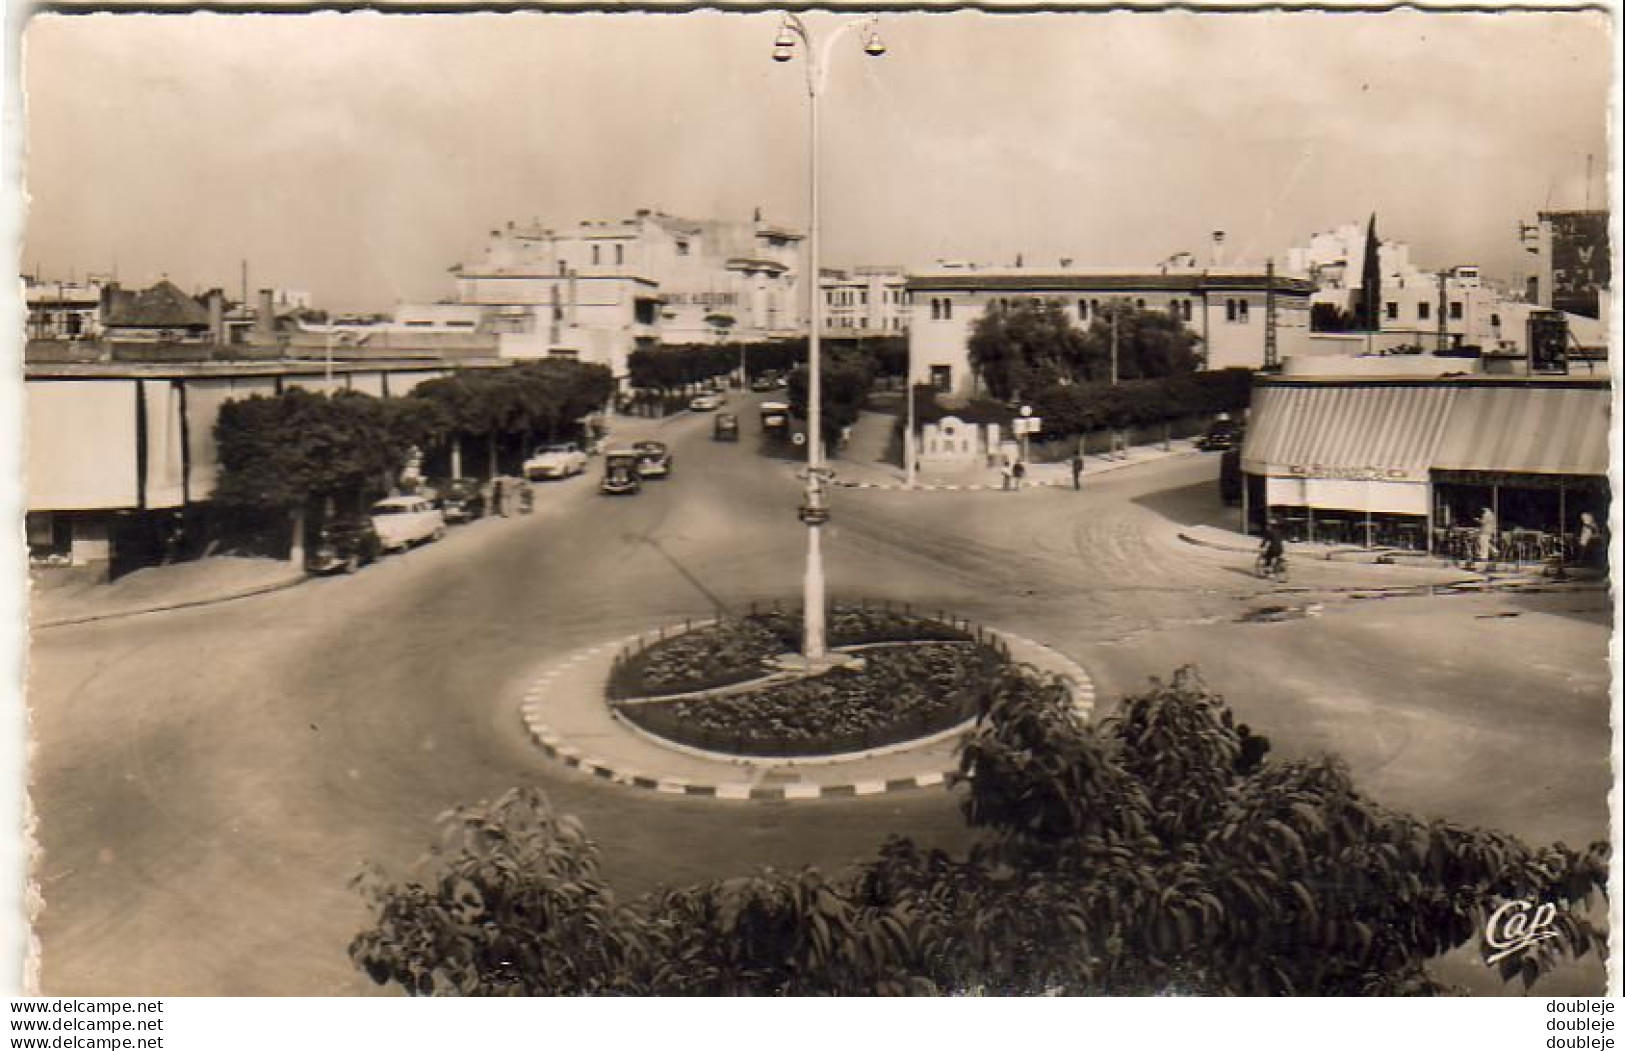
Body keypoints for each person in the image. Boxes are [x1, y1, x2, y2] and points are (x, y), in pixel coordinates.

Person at [1475, 506, 1497, 570]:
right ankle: (1494, 550)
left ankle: (1483, 563)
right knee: (1484, 543)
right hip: (1489, 531)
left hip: (1485, 531)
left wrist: (1478, 520)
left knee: (1483, 546)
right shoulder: (1492, 515)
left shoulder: (1486, 514)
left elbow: (1483, 522)